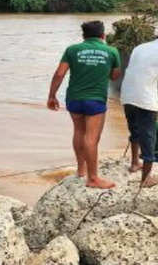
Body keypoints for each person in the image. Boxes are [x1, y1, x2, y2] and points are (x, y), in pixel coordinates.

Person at [47, 20, 121, 189]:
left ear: (83, 36)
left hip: (74, 98)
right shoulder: (111, 51)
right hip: (95, 99)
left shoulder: (72, 50)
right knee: (92, 137)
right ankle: (93, 178)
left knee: (79, 131)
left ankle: (81, 170)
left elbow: (59, 74)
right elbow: (115, 76)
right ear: (103, 35)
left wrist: (52, 96)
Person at [120, 24, 158, 187]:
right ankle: (145, 179)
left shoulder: (139, 48)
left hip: (126, 94)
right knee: (149, 136)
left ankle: (134, 163)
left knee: (134, 130)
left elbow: (134, 69)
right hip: (146, 97)